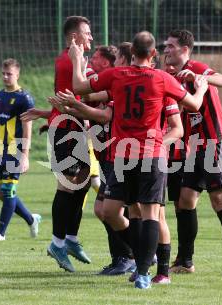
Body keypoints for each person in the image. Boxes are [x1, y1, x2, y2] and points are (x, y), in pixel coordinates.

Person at [68, 31, 208, 289]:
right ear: (153, 54)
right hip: (150, 156)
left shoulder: (116, 75)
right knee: (148, 214)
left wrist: (77, 59)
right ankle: (143, 271)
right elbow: (195, 105)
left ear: (132, 52)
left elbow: (79, 87)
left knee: (137, 213)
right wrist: (202, 88)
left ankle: (149, 269)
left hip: (124, 156)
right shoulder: (162, 78)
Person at [163, 29, 222, 277]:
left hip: (216, 143)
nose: (166, 50)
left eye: (170, 46)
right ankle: (185, 261)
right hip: (196, 147)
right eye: (165, 46)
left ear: (184, 49)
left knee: (219, 201)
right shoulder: (173, 77)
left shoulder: (196, 67)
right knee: (185, 200)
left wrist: (200, 76)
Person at [51, 43, 137, 276]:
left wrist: (78, 62)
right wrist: (58, 111)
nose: (93, 58)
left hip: (122, 156)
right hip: (111, 156)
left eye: (98, 57)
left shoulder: (119, 83)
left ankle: (136, 256)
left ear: (116, 62)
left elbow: (99, 111)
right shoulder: (114, 83)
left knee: (123, 210)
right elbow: (89, 103)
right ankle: (130, 256)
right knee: (110, 209)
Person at [22, 16, 94, 272]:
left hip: (72, 126)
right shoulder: (69, 60)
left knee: (84, 179)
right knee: (66, 186)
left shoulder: (74, 60)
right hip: (65, 129)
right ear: (74, 37)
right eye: (87, 33)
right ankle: (57, 243)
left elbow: (68, 99)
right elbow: (81, 92)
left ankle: (71, 240)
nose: (91, 38)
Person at [0, 58, 41, 241]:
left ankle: (0, 233)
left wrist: (25, 155)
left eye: (9, 73)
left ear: (17, 74)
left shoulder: (24, 98)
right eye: (3, 73)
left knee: (8, 190)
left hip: (14, 150)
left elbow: (28, 128)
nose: (5, 76)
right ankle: (31, 219)